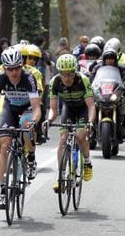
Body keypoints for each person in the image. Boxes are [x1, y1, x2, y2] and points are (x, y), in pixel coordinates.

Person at [0, 47, 41, 209]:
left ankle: (31, 158)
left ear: (21, 66)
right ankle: (3, 191)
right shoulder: (0, 78)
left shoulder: (29, 78)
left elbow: (37, 108)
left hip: (28, 108)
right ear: (4, 68)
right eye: (10, 69)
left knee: (26, 124)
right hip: (10, 108)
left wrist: (34, 121)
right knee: (4, 145)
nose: (14, 72)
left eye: (17, 67)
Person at [44, 54, 95, 192]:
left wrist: (90, 122)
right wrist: (48, 120)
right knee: (62, 139)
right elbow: (53, 110)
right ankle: (61, 177)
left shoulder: (82, 80)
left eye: (70, 74)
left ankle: (87, 162)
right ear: (59, 73)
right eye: (63, 75)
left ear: (75, 72)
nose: (67, 78)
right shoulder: (55, 82)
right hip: (68, 109)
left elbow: (91, 106)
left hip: (83, 109)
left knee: (79, 136)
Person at [91, 47, 125, 143]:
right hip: (101, 95)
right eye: (107, 59)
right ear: (104, 60)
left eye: (111, 59)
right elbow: (91, 79)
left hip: (115, 94)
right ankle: (91, 130)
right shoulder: (97, 68)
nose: (109, 61)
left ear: (115, 60)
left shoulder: (120, 69)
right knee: (90, 107)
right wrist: (88, 85)